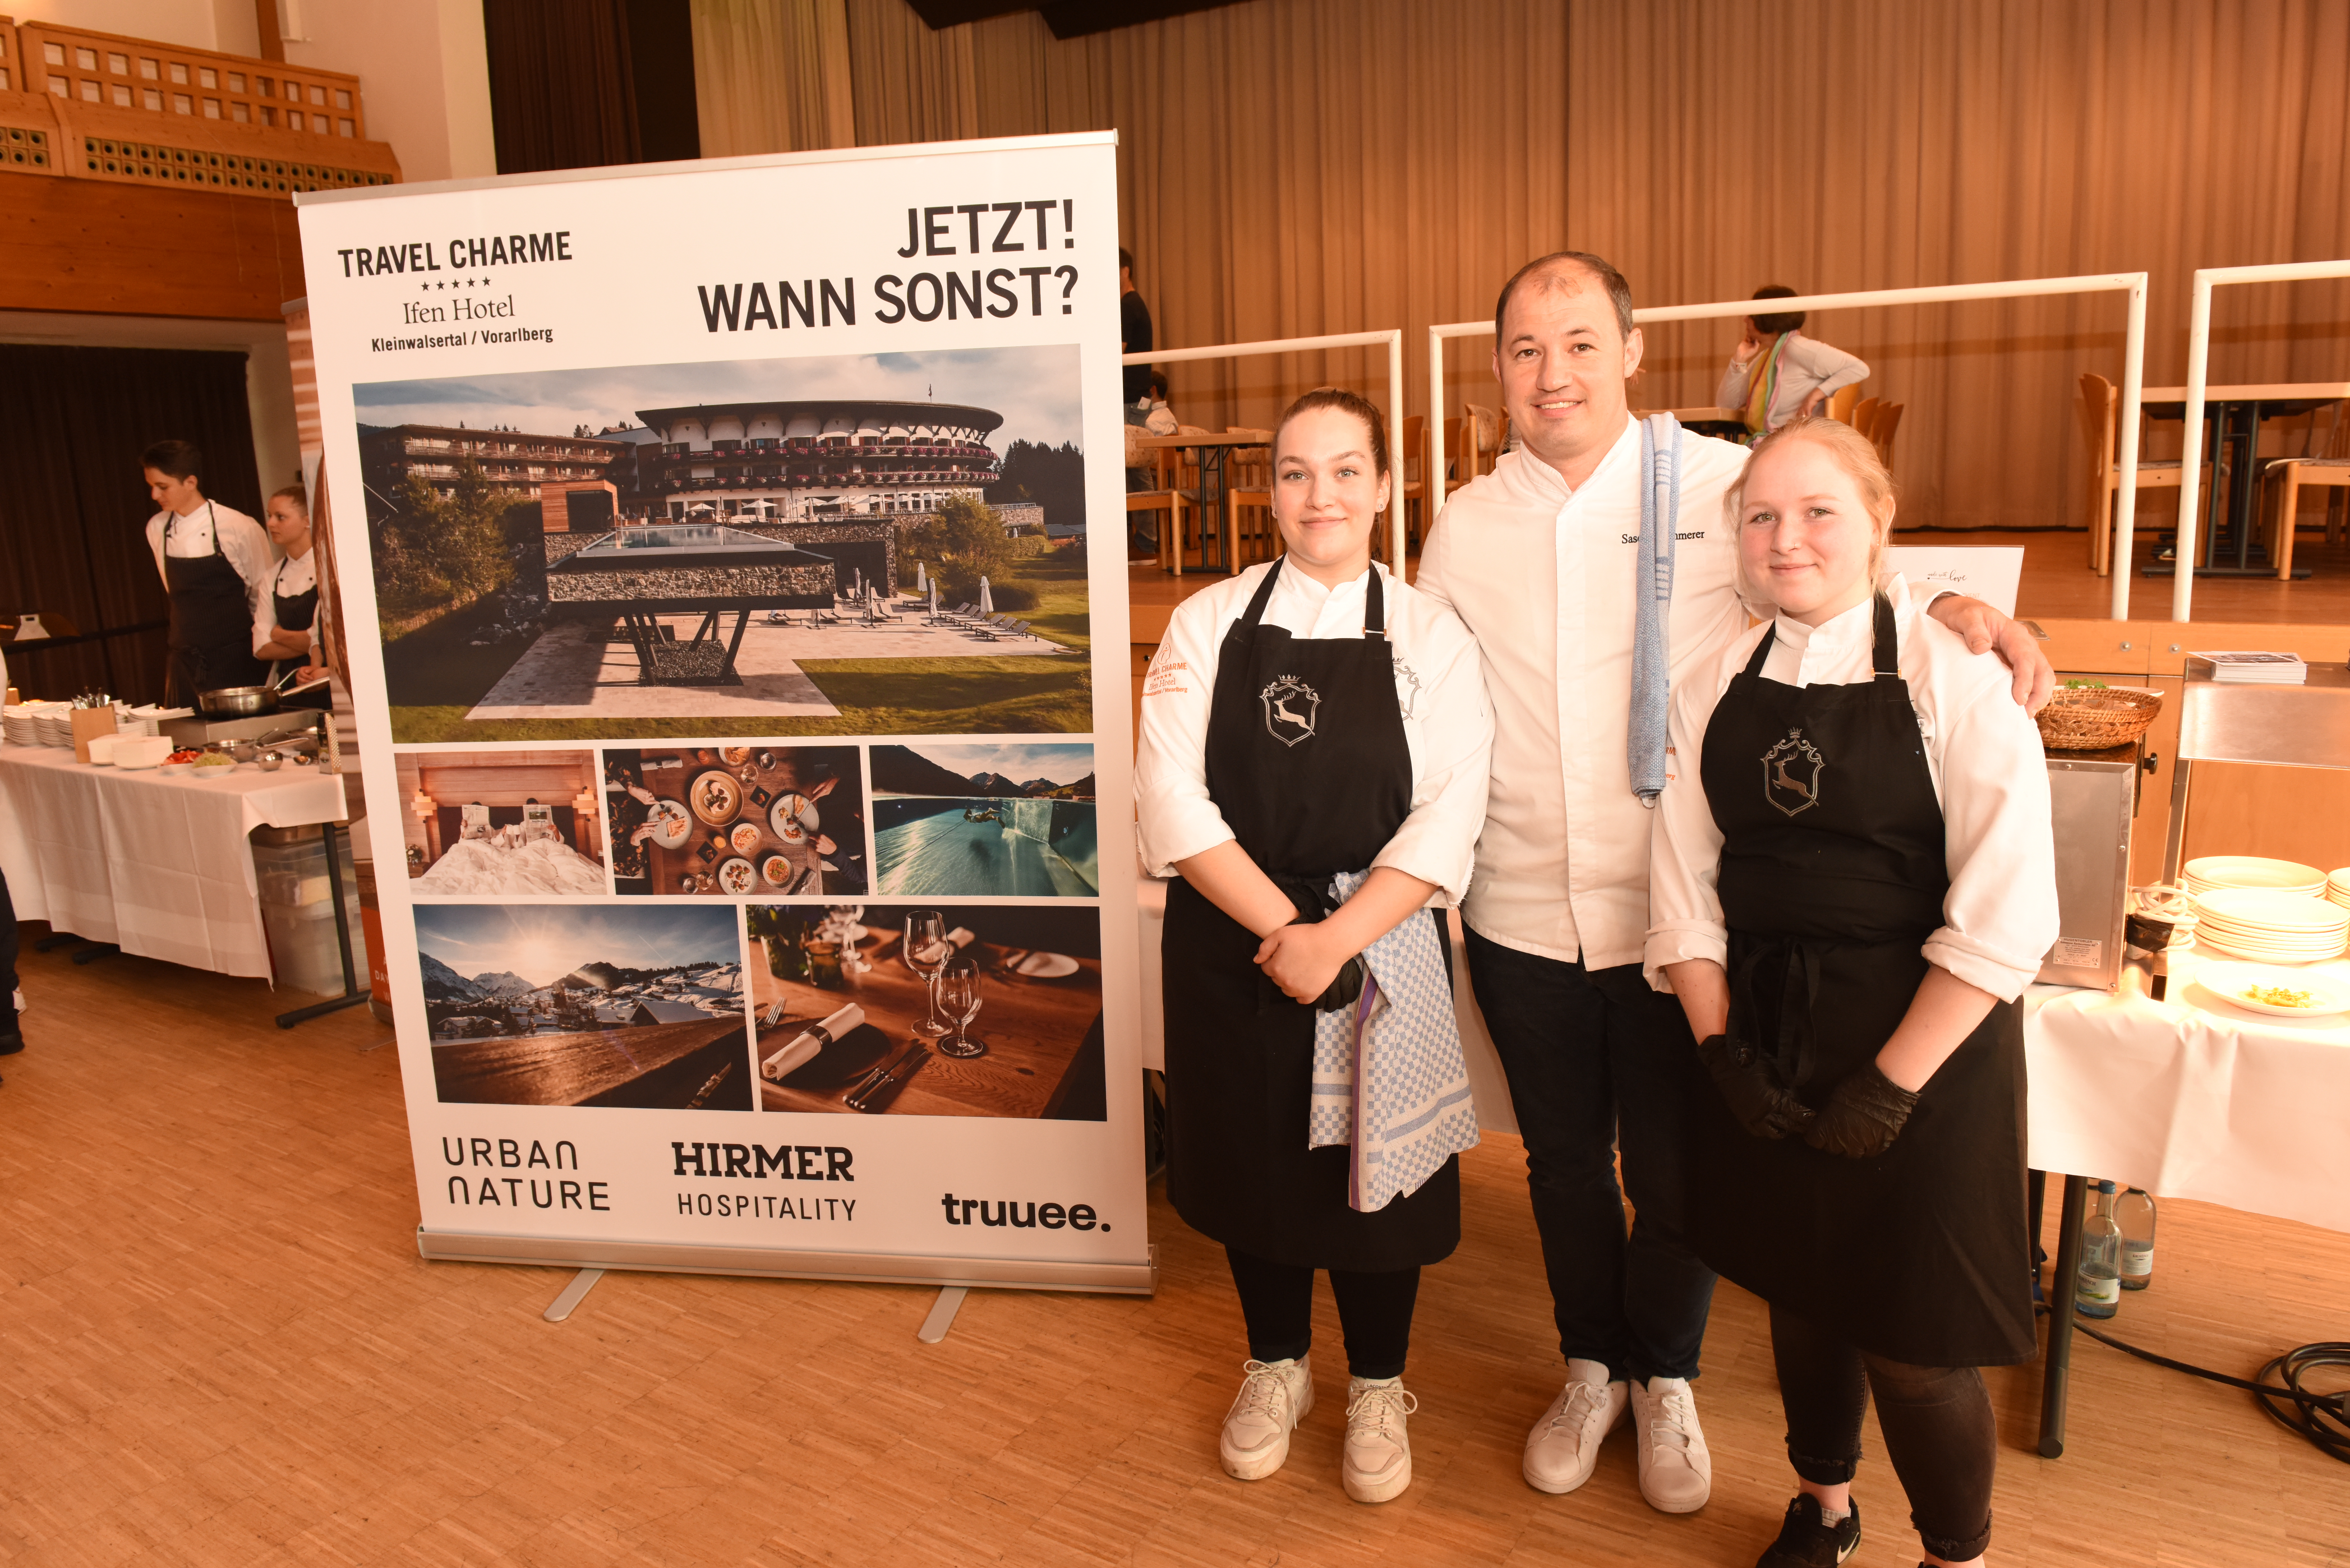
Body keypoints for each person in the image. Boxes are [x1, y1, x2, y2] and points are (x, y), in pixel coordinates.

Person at [1411, 251, 2051, 1517]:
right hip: (1521, 901)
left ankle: (1670, 1373)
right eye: (1528, 349)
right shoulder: (1462, 523)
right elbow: (1428, 687)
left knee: (1679, 1172)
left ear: (1632, 352)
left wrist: (1966, 606)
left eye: (1582, 342)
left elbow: (1831, 560)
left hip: (1681, 913)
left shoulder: (1713, 480)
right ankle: (1588, 1362)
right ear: (1496, 371)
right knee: (1558, 1164)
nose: (1555, 372)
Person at [1648, 418, 2058, 1568]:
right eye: (1762, 516)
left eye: (1819, 510)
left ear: (1880, 523)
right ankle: (1822, 1506)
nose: (1787, 540)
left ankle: (1954, 1554)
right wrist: (1720, 1046)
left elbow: (2005, 914)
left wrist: (1888, 1084)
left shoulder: (1957, 677)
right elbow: (1682, 893)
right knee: (1801, 1293)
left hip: (1930, 1050)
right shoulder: (1710, 680)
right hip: (1767, 1037)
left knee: (1918, 1339)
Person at [1137, 387, 1492, 1505]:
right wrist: (1286, 934)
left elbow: (1449, 812)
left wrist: (1336, 938)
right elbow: (1173, 801)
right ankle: (1276, 1363)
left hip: (1377, 938)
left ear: (1385, 488)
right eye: (1296, 472)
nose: (1320, 493)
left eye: (1346, 470)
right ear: (1270, 493)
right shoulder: (1208, 622)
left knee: (1372, 1183)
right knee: (1255, 1165)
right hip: (1234, 939)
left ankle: (1379, 1385)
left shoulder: (1431, 633)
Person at [141, 439, 272, 705]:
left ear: (191, 482)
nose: (155, 495)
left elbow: (263, 594)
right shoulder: (157, 528)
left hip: (235, 655)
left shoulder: (237, 526)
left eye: (162, 487)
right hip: (183, 655)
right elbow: (174, 591)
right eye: (152, 487)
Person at [1718, 285, 1870, 437]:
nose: (1745, 320)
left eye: (1750, 315)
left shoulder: (1797, 348)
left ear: (1765, 317)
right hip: (1775, 443)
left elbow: (1859, 369)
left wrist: (1816, 394)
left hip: (1790, 444)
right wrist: (1740, 359)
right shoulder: (1767, 357)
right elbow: (1727, 405)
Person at [252, 484, 322, 685]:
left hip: (323, 679)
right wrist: (314, 642)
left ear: (307, 521)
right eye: (270, 516)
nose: (270, 523)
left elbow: (335, 640)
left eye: (280, 517)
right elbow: (261, 648)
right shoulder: (271, 577)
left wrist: (279, 635)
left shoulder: (328, 570)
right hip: (288, 683)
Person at [1119, 247, 1156, 406]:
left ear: (1125, 272)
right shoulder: (1134, 303)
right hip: (1137, 397)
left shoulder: (1128, 306)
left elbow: (1117, 351)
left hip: (1130, 399)